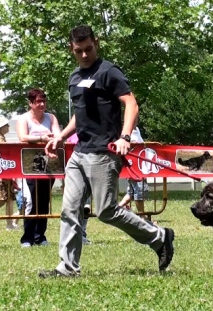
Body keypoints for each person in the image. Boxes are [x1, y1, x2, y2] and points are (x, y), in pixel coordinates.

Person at [41, 25, 174, 278]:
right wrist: (60, 136)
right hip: (79, 153)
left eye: (88, 49)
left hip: (104, 153)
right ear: (71, 48)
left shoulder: (108, 71)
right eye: (78, 51)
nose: (84, 55)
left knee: (105, 210)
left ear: (96, 43)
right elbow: (79, 116)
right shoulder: (74, 78)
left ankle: (159, 237)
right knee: (70, 209)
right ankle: (67, 268)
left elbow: (131, 104)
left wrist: (125, 137)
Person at [16, 88, 61, 247]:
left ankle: (40, 236)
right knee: (31, 202)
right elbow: (23, 137)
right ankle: (27, 238)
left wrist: (52, 138)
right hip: (30, 165)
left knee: (44, 201)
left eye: (43, 101)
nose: (42, 104)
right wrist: (42, 137)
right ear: (30, 103)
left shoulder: (51, 117)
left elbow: (57, 135)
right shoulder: (23, 118)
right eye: (38, 102)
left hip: (50, 165)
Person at [118, 126, 148, 219]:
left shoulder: (137, 129)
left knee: (131, 192)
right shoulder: (126, 130)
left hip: (138, 166)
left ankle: (116, 209)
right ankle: (142, 217)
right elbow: (132, 145)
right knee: (139, 191)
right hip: (134, 167)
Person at [66, 133, 91, 245]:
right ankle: (74, 236)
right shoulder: (71, 137)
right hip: (76, 177)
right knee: (74, 208)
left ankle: (82, 234)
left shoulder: (91, 134)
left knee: (85, 209)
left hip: (89, 176)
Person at [0, 115, 20, 230]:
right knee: (3, 199)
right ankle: (9, 224)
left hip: (6, 174)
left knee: (9, 199)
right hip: (2, 175)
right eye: (5, 125)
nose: (8, 126)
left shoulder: (3, 138)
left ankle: (10, 224)